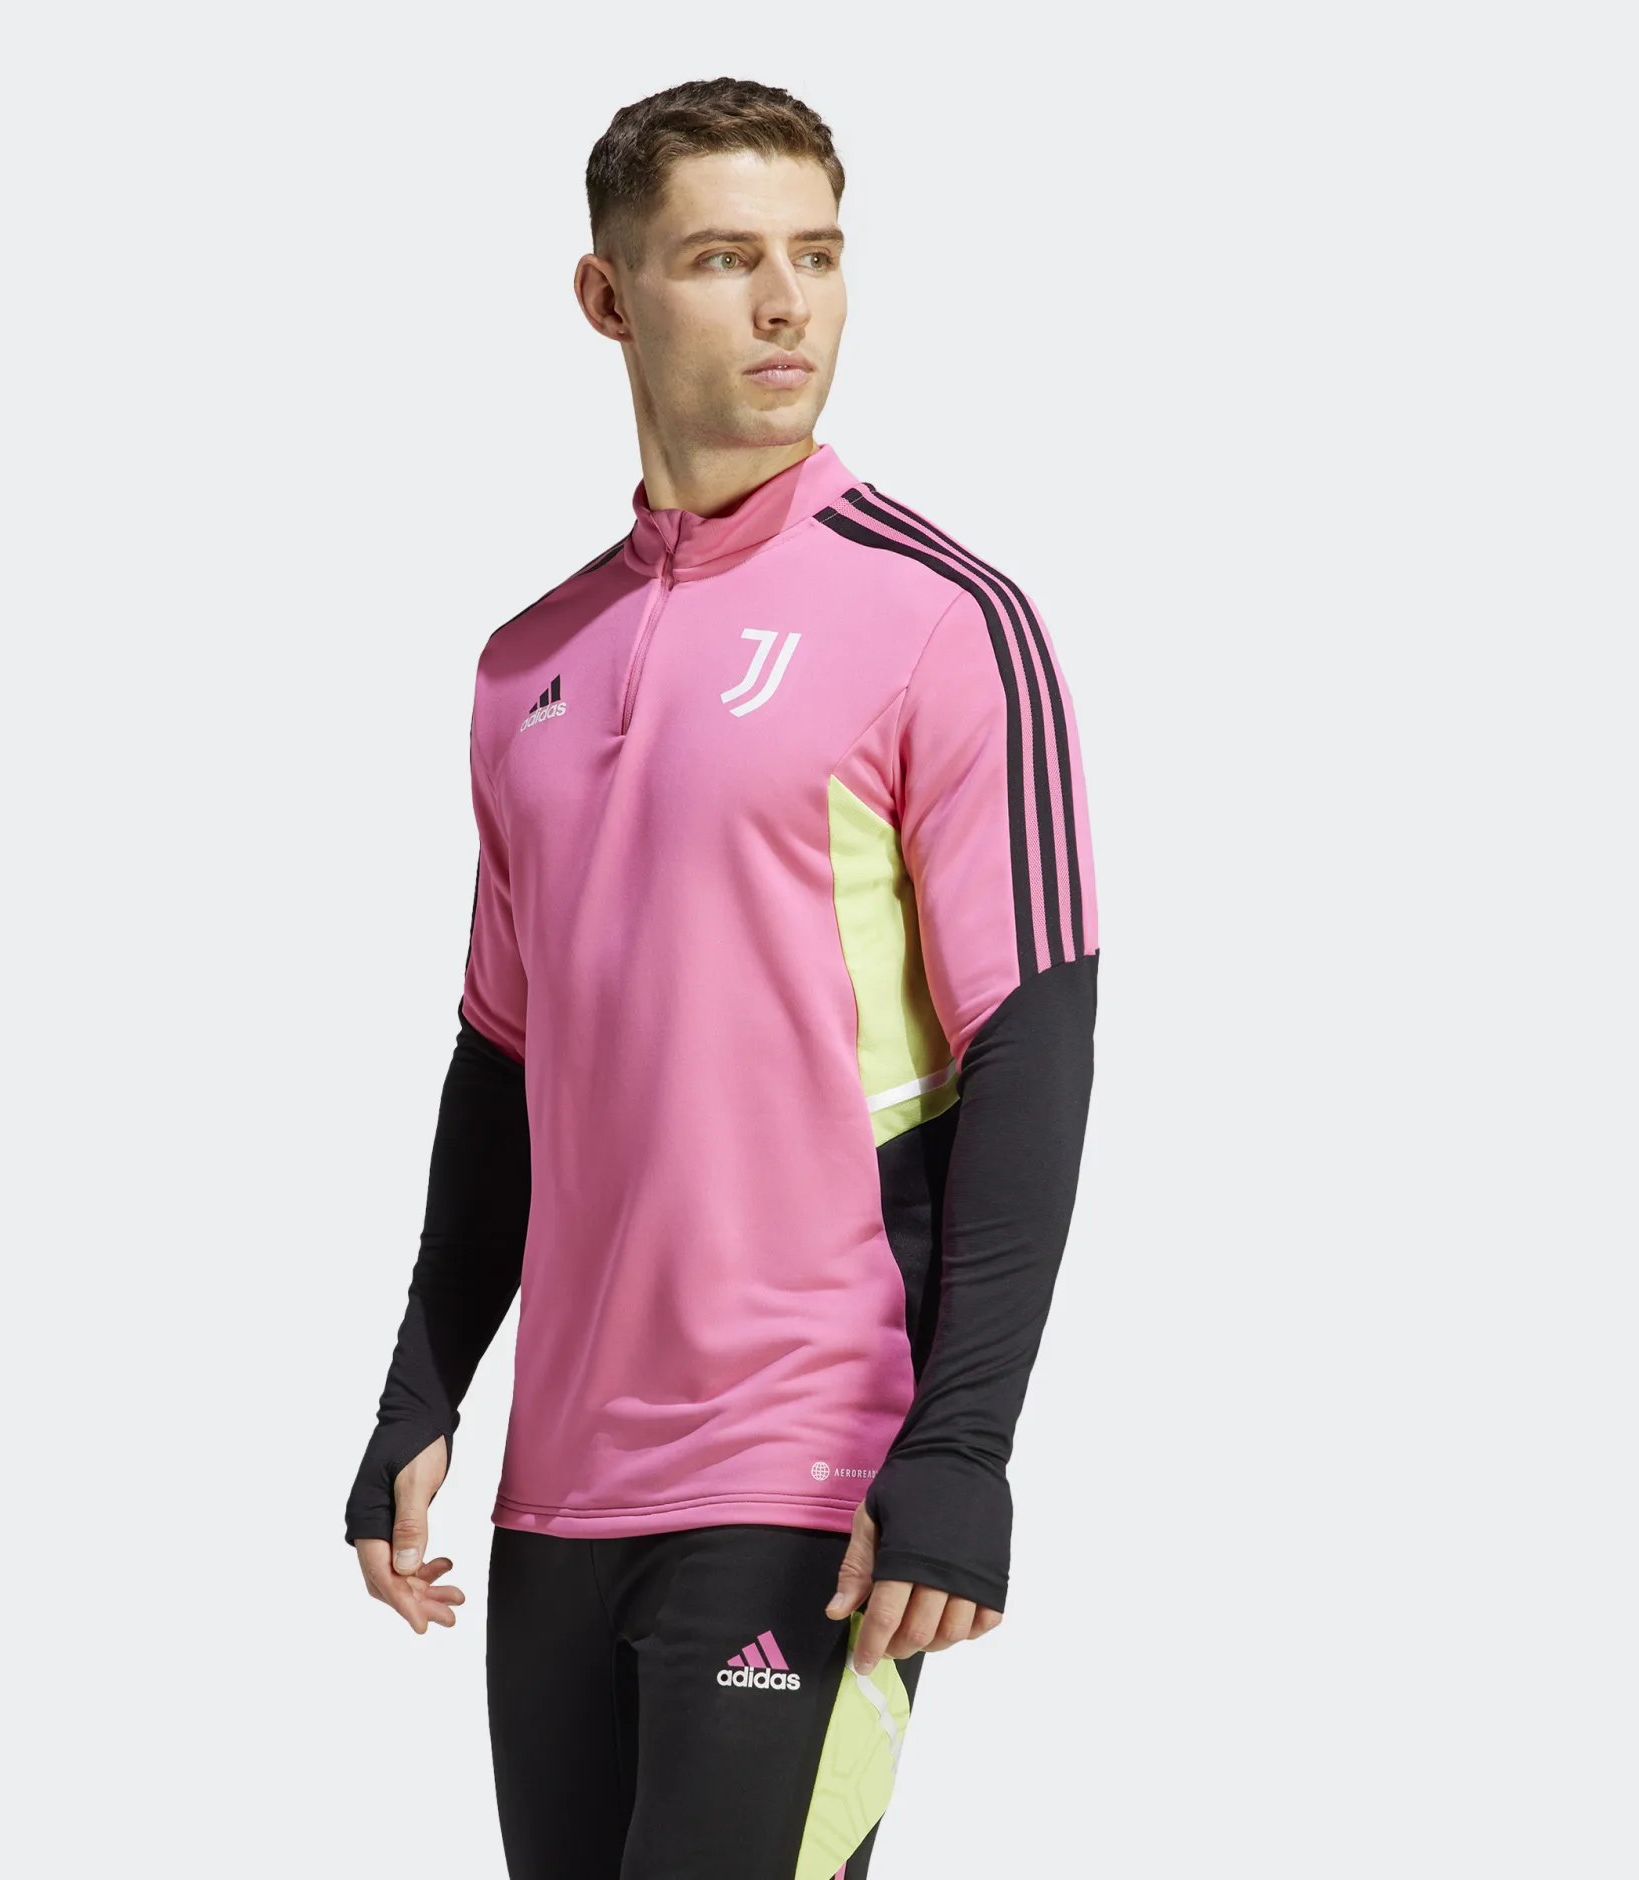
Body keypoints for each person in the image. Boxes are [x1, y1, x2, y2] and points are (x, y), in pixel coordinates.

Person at [344, 76, 1099, 1880]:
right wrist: (422, 1388)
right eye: (722, 260)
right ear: (608, 296)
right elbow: (506, 1064)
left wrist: (964, 1448)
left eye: (817, 257)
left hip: (812, 1465)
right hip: (562, 1488)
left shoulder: (940, 618)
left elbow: (1035, 1040)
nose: (784, 306)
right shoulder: (527, 662)